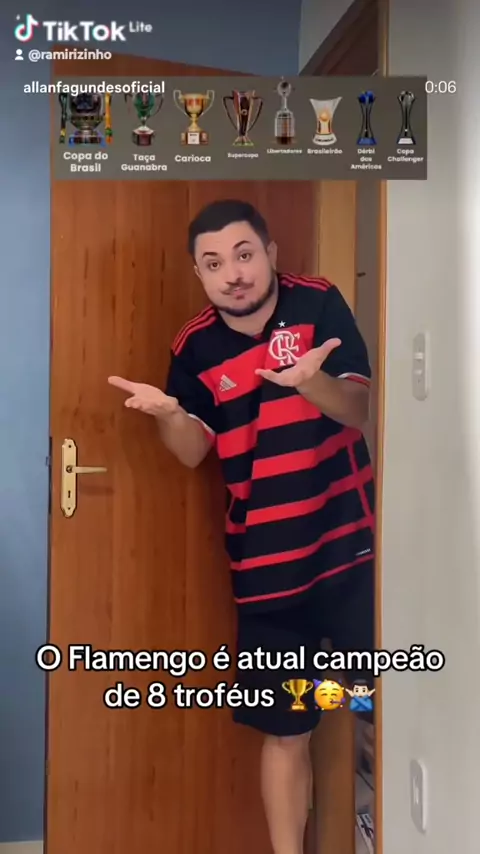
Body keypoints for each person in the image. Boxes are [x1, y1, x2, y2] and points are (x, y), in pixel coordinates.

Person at [108, 199, 375, 854]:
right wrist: (172, 415)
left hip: (347, 552)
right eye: (213, 263)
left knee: (372, 703)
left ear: (271, 253)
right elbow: (192, 452)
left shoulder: (318, 304)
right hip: (265, 571)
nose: (233, 273)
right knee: (287, 729)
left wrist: (310, 383)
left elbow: (356, 408)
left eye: (244, 254)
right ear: (199, 274)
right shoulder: (194, 346)